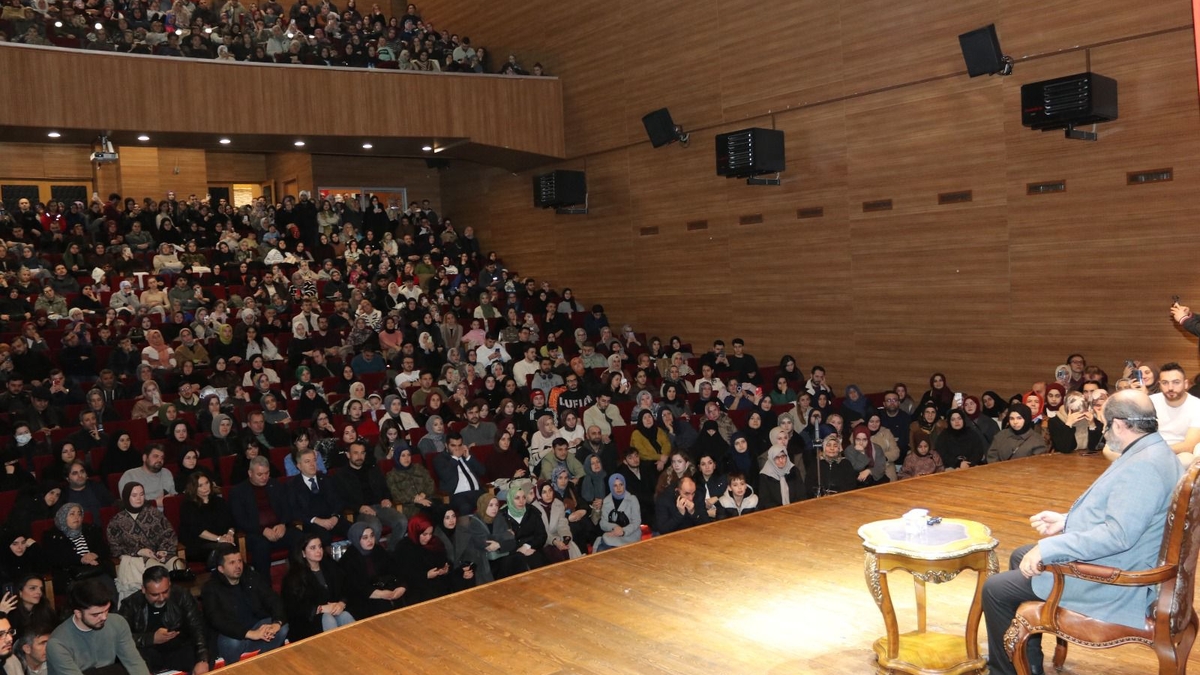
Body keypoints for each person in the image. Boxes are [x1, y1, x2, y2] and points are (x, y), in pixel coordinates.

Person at [982, 390, 1184, 675]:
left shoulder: (1145, 466)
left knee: (995, 589)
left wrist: (1050, 547)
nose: (1104, 429)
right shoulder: (1154, 450)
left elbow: (1118, 535)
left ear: (1117, 424)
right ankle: (1030, 664)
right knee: (1021, 556)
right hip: (1128, 560)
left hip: (1117, 583)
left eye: (1105, 422)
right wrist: (1065, 521)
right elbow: (1125, 513)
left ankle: (1005, 672)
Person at [201, 545, 288, 665]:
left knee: (282, 628)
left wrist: (276, 623)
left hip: (256, 628)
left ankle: (264, 663)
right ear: (221, 569)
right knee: (233, 642)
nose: (238, 566)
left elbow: (273, 599)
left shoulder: (251, 577)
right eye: (232, 563)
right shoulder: (211, 588)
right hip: (231, 635)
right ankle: (234, 668)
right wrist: (250, 634)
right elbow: (217, 621)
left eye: (239, 561)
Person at [117, 566, 209, 675]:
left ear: (169, 585)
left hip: (179, 648)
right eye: (155, 594)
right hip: (148, 652)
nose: (161, 598)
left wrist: (202, 660)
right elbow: (121, 639)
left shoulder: (182, 595)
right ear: (143, 589)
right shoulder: (130, 604)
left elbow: (197, 627)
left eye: (165, 592)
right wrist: (151, 638)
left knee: (205, 657)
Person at [46, 579, 149, 675]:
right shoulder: (58, 643)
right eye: (96, 614)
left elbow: (134, 662)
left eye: (106, 610)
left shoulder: (117, 622)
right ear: (78, 613)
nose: (104, 617)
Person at [106, 483, 180, 603]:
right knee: (157, 571)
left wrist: (163, 550)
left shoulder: (154, 513)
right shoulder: (117, 521)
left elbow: (169, 534)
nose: (139, 498)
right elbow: (115, 548)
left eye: (141, 494)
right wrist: (139, 551)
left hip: (161, 554)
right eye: (134, 495)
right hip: (138, 559)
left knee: (177, 565)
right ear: (126, 497)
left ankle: (177, 602)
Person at [331, 441, 407, 551]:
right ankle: (372, 556)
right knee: (374, 526)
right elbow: (340, 500)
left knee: (401, 521)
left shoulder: (372, 469)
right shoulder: (340, 475)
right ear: (348, 455)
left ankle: (391, 551)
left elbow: (384, 488)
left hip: (379, 505)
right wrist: (359, 508)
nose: (359, 456)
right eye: (355, 453)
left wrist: (386, 498)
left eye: (362, 453)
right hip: (359, 511)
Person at [228, 456, 296, 575]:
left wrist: (283, 524)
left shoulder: (275, 484)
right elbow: (240, 520)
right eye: (260, 474)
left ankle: (298, 578)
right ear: (250, 473)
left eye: (267, 473)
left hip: (278, 530)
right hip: (254, 533)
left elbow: (287, 508)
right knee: (261, 546)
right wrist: (262, 530)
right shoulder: (238, 491)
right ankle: (265, 586)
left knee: (300, 538)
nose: (264, 477)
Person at [280, 536, 354, 642]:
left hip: (332, 612)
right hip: (307, 621)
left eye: (320, 547)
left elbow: (346, 587)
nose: (318, 551)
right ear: (303, 553)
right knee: (327, 618)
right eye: (313, 548)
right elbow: (294, 608)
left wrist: (341, 603)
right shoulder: (294, 576)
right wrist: (319, 609)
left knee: (345, 616)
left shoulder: (330, 566)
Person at [287, 448, 349, 545]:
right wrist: (316, 520)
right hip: (311, 523)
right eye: (307, 461)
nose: (312, 464)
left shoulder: (327, 479)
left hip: (332, 519)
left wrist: (335, 516)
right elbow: (294, 511)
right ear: (299, 466)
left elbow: (338, 501)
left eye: (314, 460)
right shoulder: (293, 485)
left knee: (354, 530)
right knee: (323, 537)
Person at [1149, 362, 1200, 464]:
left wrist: (1157, 451)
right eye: (1165, 383)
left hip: (1180, 452)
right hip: (1151, 447)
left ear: (1185, 384)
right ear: (1159, 385)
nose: (1170, 387)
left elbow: (1189, 445)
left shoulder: (1197, 405)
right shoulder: (1149, 402)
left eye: (1176, 382)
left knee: (1186, 460)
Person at [431, 433, 485, 514]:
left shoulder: (466, 455)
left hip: (477, 492)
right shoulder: (439, 459)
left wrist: (469, 457)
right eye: (453, 446)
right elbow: (446, 476)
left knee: (491, 501)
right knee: (465, 507)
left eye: (459, 445)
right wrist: (455, 458)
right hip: (457, 496)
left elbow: (482, 471)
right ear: (446, 445)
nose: (457, 448)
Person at [594, 473, 642, 552]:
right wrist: (614, 527)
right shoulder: (606, 501)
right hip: (613, 534)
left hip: (630, 535)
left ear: (624, 485)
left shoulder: (632, 499)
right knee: (601, 549)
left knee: (603, 549)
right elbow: (603, 523)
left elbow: (637, 521)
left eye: (621, 484)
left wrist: (623, 531)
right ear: (611, 487)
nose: (619, 488)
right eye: (615, 486)